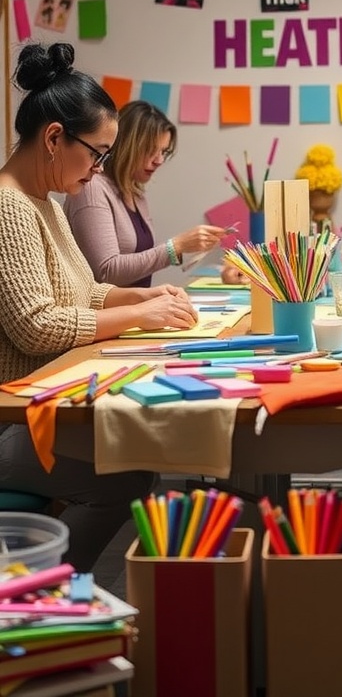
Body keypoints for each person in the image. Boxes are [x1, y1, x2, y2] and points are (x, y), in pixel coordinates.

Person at [0, 42, 197, 572]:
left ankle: (46, 589)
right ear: (54, 138)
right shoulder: (8, 207)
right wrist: (137, 314)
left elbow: (86, 290)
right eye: (97, 153)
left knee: (140, 459)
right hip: (13, 423)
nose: (100, 168)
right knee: (129, 479)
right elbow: (36, 326)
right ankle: (40, 596)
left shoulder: (48, 205)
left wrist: (144, 296)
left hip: (41, 412)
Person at [64, 99, 246, 286]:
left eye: (163, 152)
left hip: (134, 310)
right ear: (128, 145)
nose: (159, 160)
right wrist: (176, 246)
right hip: (106, 314)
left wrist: (184, 246)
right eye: (151, 150)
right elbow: (107, 271)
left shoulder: (136, 193)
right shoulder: (91, 188)